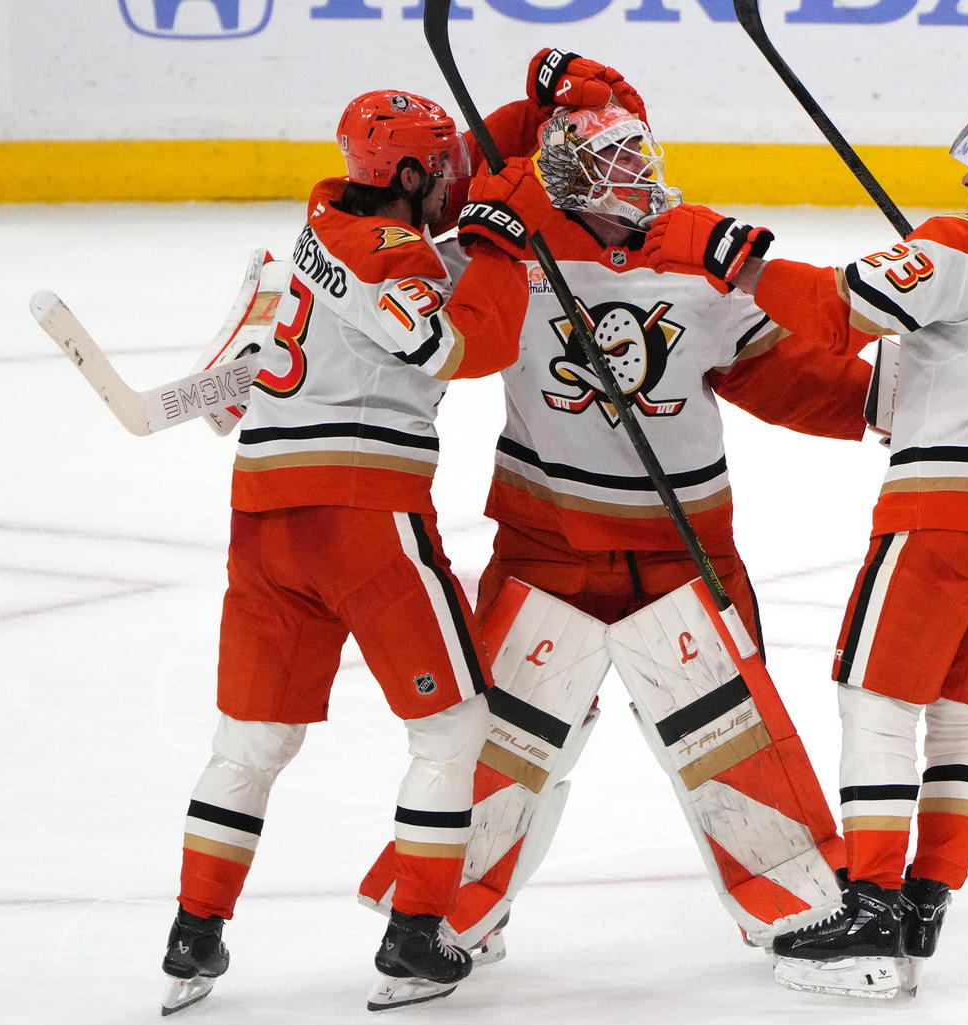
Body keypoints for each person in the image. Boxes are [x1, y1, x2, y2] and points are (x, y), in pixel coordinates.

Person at [361, 62, 877, 961]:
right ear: (565, 173)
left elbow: (787, 375)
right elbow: (390, 315)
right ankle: (436, 919)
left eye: (642, 154)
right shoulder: (508, 248)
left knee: (735, 737)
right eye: (615, 161)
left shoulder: (697, 253)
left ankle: (802, 911)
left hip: (686, 550)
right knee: (505, 744)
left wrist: (899, 402)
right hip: (544, 544)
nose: (642, 177)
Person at [641, 99, 968, 997]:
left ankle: (869, 898)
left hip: (949, 509)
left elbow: (834, 312)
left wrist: (725, 250)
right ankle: (927, 900)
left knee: (879, 699)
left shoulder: (959, 244)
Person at [158, 87, 561, 1016]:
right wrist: (500, 244)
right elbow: (458, 344)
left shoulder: (310, 236)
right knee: (455, 730)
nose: (452, 181)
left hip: (261, 521)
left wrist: (523, 116)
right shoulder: (395, 254)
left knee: (252, 742)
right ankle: (416, 935)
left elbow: (222, 400)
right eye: (439, 169)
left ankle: (193, 933)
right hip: (363, 518)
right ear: (409, 176)